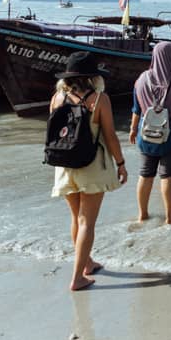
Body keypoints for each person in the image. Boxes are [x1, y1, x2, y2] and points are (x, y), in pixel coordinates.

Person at [49, 51, 128, 291]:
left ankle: (87, 263)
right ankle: (78, 278)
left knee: (76, 218)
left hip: (64, 165)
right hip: (91, 165)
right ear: (93, 77)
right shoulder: (99, 99)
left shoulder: (57, 98)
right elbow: (110, 135)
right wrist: (121, 163)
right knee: (87, 223)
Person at [130, 42, 171, 225]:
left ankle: (142, 215)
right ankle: (170, 218)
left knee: (145, 174)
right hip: (170, 138)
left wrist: (133, 129)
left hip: (146, 136)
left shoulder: (141, 80)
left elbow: (136, 110)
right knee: (167, 176)